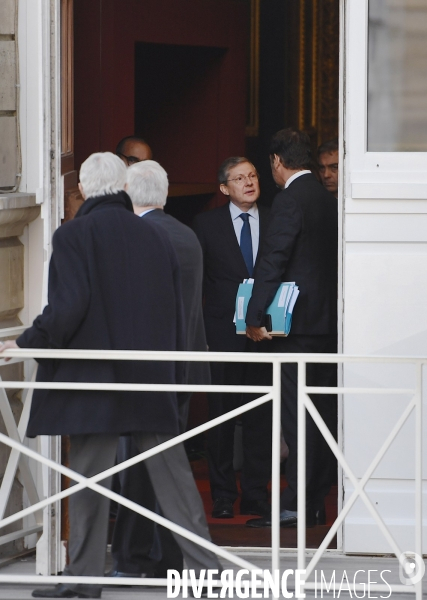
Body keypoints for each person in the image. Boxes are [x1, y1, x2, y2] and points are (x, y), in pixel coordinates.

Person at [0, 152, 221, 598]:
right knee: (176, 486)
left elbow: (67, 308)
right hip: (149, 381)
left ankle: (83, 579)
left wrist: (27, 343)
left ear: (81, 189)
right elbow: (174, 314)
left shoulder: (73, 235)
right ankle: (208, 575)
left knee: (87, 483)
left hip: (92, 382)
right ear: (122, 187)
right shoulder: (155, 236)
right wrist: (174, 376)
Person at [109, 159, 210, 580]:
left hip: (150, 370)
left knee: (140, 468)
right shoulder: (185, 233)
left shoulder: (140, 236)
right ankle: (164, 557)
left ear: (129, 191)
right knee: (164, 470)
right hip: (182, 365)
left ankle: (136, 558)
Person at [245, 128, 338, 529]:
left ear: (277, 163)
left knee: (296, 418)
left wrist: (253, 314)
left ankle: (297, 504)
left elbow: (273, 260)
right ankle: (314, 501)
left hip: (294, 326)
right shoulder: (326, 196)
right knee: (320, 416)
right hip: (327, 324)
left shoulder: (289, 200)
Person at [193, 157, 271, 520]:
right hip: (222, 334)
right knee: (221, 417)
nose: (249, 183)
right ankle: (223, 495)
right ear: (225, 188)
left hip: (267, 334)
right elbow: (198, 284)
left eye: (253, 175)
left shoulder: (274, 219)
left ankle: (256, 493)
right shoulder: (206, 225)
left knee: (260, 416)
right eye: (239, 179)